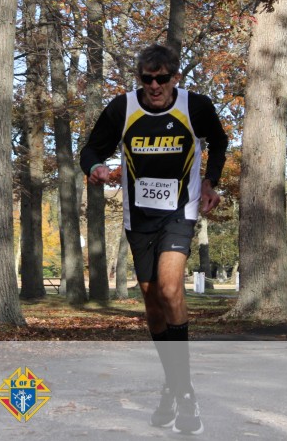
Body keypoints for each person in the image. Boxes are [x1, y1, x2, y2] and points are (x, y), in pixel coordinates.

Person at [80, 43, 228, 436]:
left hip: (180, 212)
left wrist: (211, 181)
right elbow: (91, 149)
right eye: (147, 79)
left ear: (175, 77)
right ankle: (173, 384)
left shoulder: (195, 107)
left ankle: (185, 392)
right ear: (139, 79)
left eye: (162, 79)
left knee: (170, 287)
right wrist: (96, 167)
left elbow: (219, 141)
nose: (155, 86)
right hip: (139, 218)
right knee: (152, 300)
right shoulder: (123, 109)